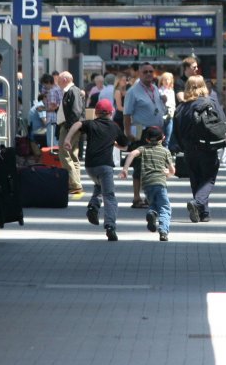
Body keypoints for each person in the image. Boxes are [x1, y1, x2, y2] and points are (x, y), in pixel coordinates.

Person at [62, 99, 128, 242]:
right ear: (111, 113)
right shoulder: (114, 127)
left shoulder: (91, 124)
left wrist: (67, 139)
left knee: (99, 185)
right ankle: (110, 226)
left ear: (96, 113)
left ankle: (93, 205)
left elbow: (77, 123)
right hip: (105, 166)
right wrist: (115, 144)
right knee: (109, 196)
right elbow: (125, 146)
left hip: (90, 167)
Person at [172, 75, 225, 223]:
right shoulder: (211, 102)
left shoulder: (181, 107)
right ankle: (198, 204)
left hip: (189, 149)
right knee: (208, 179)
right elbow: (222, 122)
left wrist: (183, 147)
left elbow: (176, 131)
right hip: (208, 148)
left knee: (196, 180)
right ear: (204, 86)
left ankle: (204, 213)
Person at [124, 62, 167, 209]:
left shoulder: (154, 88)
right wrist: (128, 132)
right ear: (139, 74)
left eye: (151, 71)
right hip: (141, 132)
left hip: (157, 131)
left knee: (155, 165)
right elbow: (127, 114)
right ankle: (136, 198)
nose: (149, 74)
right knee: (139, 166)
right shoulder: (133, 92)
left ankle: (150, 196)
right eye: (145, 72)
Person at [121, 125, 175, 241]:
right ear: (163, 138)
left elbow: (131, 154)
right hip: (160, 183)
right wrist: (168, 174)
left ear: (147, 139)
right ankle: (163, 231)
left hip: (146, 184)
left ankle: (152, 213)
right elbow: (172, 170)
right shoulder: (165, 151)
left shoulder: (143, 148)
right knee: (165, 207)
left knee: (154, 203)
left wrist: (125, 169)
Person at [56, 71, 85, 197]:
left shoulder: (72, 91)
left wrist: (70, 129)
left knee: (64, 154)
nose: (57, 83)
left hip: (69, 127)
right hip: (72, 127)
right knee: (72, 155)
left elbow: (75, 111)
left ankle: (74, 184)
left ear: (65, 79)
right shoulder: (73, 91)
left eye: (59, 80)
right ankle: (75, 183)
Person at [159, 72, 177, 147]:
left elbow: (173, 103)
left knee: (168, 138)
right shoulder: (159, 91)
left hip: (170, 116)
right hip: (161, 116)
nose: (166, 81)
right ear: (162, 81)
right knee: (161, 138)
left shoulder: (172, 91)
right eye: (165, 79)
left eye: (168, 79)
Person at [45, 73, 62, 147]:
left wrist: (43, 109)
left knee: (51, 142)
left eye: (44, 84)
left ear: (48, 82)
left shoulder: (52, 91)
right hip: (58, 118)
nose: (44, 87)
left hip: (52, 119)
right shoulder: (59, 89)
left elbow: (52, 107)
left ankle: (53, 158)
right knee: (57, 140)